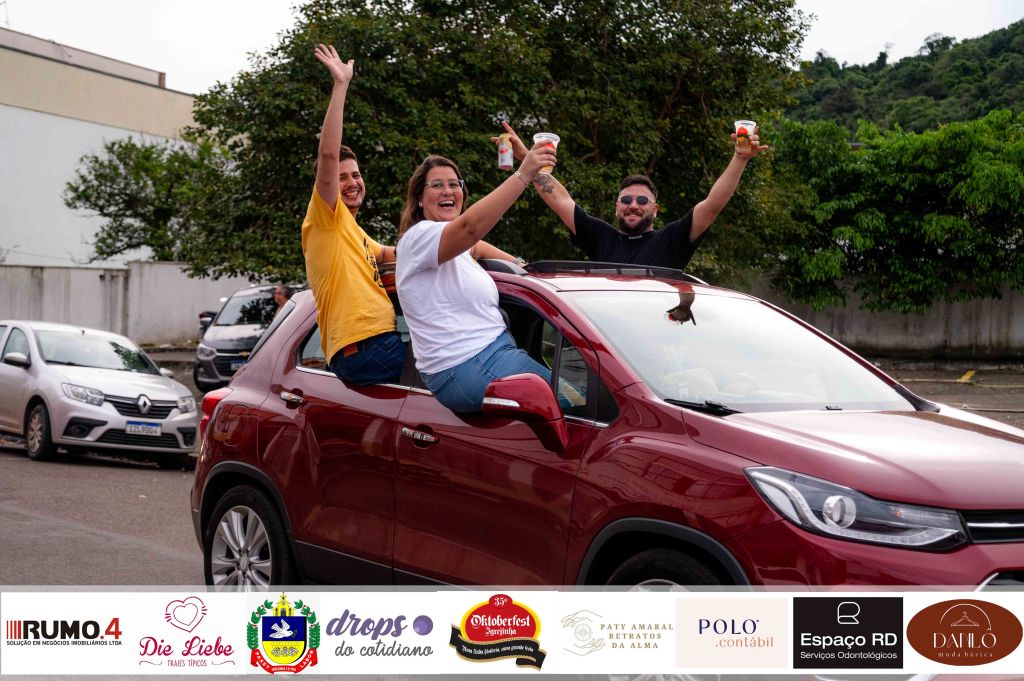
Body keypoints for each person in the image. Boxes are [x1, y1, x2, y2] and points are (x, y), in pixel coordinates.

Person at [395, 145, 557, 414]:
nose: (448, 191)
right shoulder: (419, 237)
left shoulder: (450, 247)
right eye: (436, 185)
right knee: (580, 402)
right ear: (420, 199)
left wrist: (521, 266)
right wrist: (524, 173)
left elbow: (475, 245)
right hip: (467, 365)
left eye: (454, 184)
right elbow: (470, 230)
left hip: (490, 356)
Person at [494, 122, 768, 270]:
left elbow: (712, 206)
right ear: (617, 207)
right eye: (626, 200)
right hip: (603, 343)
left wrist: (739, 158)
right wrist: (526, 159)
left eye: (642, 201)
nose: (633, 205)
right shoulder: (602, 238)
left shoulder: (670, 240)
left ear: (655, 209)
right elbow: (559, 200)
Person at [301, 44, 405, 386]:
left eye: (356, 175)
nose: (352, 182)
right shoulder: (325, 217)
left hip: (373, 347)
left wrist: (461, 244)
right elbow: (328, 155)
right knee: (451, 363)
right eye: (342, 177)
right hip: (366, 349)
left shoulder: (353, 233)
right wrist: (341, 85)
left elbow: (396, 253)